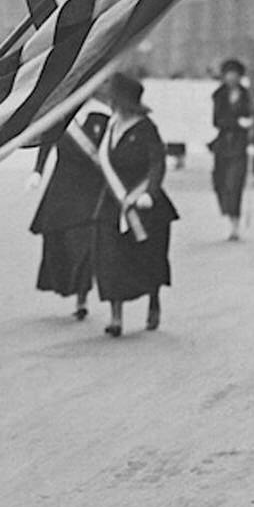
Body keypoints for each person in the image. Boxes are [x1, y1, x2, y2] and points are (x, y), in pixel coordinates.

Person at [91, 72, 179, 337]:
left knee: (149, 257)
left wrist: (150, 192)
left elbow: (157, 162)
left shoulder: (145, 127)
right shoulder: (111, 126)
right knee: (109, 257)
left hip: (144, 203)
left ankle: (153, 300)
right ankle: (115, 316)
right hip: (112, 202)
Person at [29, 99, 110, 319]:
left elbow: (108, 153)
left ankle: (82, 297)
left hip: (90, 189)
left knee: (83, 243)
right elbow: (46, 143)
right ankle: (67, 285)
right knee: (57, 239)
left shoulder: (102, 116)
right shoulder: (61, 116)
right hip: (61, 188)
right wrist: (37, 171)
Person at [210, 58, 253, 240]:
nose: (231, 78)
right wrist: (236, 122)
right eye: (228, 74)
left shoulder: (248, 95)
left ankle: (235, 224)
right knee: (220, 183)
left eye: (235, 74)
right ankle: (228, 215)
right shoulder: (219, 95)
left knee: (234, 183)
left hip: (239, 145)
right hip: (222, 145)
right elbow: (216, 120)